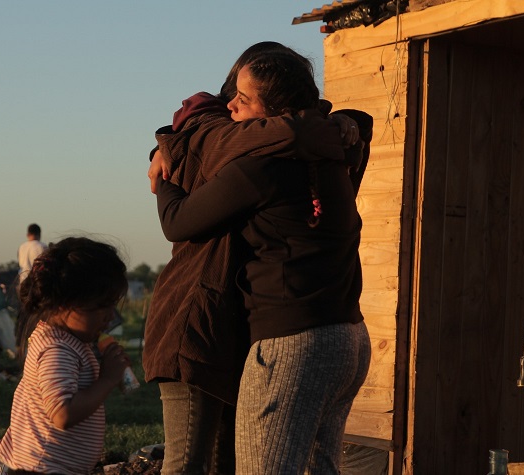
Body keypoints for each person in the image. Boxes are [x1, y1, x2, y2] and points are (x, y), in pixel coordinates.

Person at [143, 42, 363, 475]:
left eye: (244, 100)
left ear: (276, 113)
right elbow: (350, 129)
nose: (232, 107)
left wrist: (162, 166)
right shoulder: (339, 155)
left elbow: (177, 222)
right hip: (349, 338)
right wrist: (344, 121)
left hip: (292, 342)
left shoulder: (257, 169)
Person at [0, 237, 130, 475]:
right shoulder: (56, 349)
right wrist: (107, 379)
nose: (110, 316)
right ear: (61, 304)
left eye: (112, 306)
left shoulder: (70, 342)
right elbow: (62, 413)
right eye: (101, 306)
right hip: (44, 468)